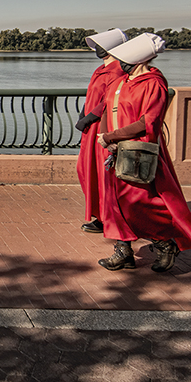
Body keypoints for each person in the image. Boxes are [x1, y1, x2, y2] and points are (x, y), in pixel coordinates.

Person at [95, 33, 191, 272]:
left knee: (140, 203)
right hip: (115, 151)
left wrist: (112, 137)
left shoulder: (154, 83)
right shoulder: (120, 82)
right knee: (114, 203)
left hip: (138, 152)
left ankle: (165, 242)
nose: (119, 63)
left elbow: (149, 121)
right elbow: (107, 109)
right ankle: (123, 251)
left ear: (138, 60)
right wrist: (106, 139)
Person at [75, 29, 127, 234]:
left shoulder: (117, 71)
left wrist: (89, 118)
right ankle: (99, 214)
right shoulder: (100, 69)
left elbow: (109, 101)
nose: (97, 49)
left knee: (102, 173)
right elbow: (92, 96)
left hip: (101, 128)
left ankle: (107, 217)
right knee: (86, 170)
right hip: (90, 128)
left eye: (101, 45)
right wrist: (83, 115)